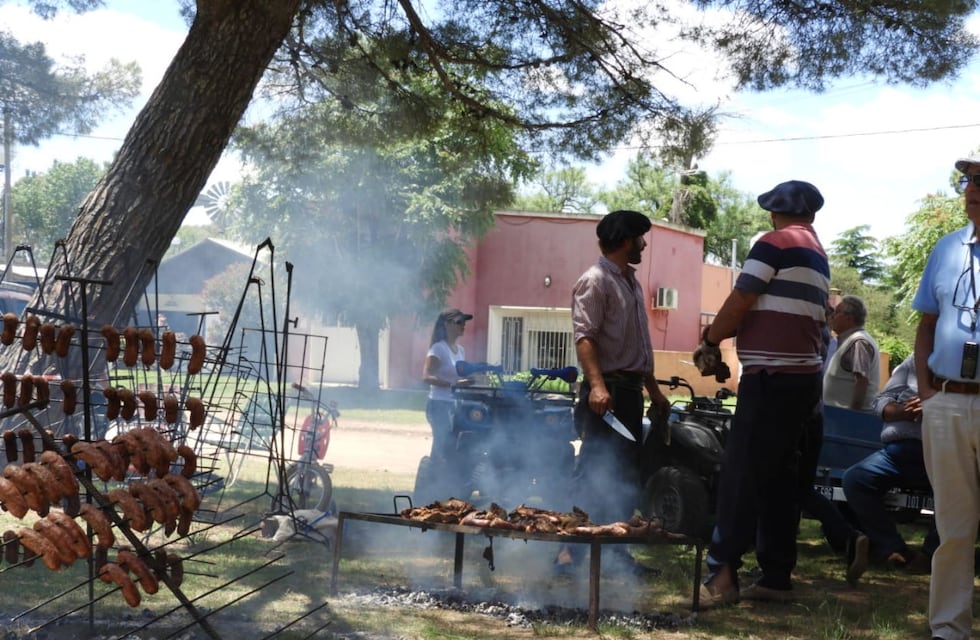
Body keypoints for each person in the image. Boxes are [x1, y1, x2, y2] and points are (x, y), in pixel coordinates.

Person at [695, 180, 829, 607]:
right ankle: (775, 575)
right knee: (779, 479)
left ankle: (722, 574)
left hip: (770, 379)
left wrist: (711, 338)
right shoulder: (816, 252)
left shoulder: (774, 243)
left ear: (773, 213)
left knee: (740, 473)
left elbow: (742, 298)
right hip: (804, 381)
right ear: (810, 215)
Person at [564, 209, 670, 571]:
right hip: (604, 393)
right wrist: (595, 386)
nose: (644, 244)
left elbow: (640, 346)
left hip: (629, 392)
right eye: (641, 238)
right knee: (595, 466)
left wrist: (653, 390)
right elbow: (585, 338)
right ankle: (569, 551)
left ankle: (614, 551)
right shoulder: (596, 280)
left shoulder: (631, 282)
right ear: (626, 241)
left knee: (624, 471)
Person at [913, 152, 980, 640]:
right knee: (954, 527)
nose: (971, 187)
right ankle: (949, 630)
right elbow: (927, 325)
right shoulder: (945, 247)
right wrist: (926, 391)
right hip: (947, 401)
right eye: (968, 179)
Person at [841, 354, 937, 584]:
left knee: (957, 491)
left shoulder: (965, 360)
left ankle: (931, 554)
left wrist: (934, 407)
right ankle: (894, 549)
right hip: (897, 453)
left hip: (939, 452)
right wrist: (900, 411)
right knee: (856, 479)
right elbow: (882, 399)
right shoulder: (915, 361)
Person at [421, 308, 474, 463]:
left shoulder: (460, 351)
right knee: (442, 443)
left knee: (454, 444)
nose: (463, 325)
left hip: (455, 404)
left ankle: (448, 478)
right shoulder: (438, 348)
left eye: (464, 322)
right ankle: (434, 477)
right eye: (459, 322)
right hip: (439, 404)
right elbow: (426, 376)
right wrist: (453, 385)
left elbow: (460, 376)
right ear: (447, 324)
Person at [823, 295, 880, 411]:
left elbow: (861, 381)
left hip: (847, 419)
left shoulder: (859, 342)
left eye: (837, 312)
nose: (832, 316)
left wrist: (853, 416)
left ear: (849, 318)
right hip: (838, 416)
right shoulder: (852, 340)